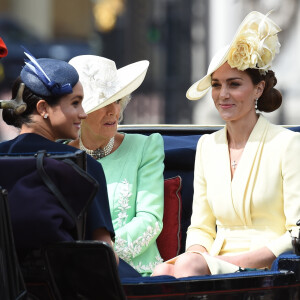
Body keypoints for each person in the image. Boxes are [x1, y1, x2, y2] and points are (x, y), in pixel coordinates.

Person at [152, 11, 300, 278]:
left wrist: (233, 260)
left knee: (184, 267)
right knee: (162, 270)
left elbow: (296, 233)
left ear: (258, 88)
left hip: (267, 266)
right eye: (216, 85)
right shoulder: (208, 146)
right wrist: (198, 254)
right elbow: (200, 227)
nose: (223, 95)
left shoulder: (288, 144)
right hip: (214, 262)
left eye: (234, 84)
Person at [0, 50, 115, 255]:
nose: (83, 113)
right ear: (43, 108)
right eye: (75, 103)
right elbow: (104, 253)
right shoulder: (83, 164)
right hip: (69, 285)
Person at [67, 55, 165, 276]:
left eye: (118, 100)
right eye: (102, 104)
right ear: (80, 111)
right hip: (75, 276)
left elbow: (150, 220)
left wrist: (100, 256)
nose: (113, 111)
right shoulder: (63, 155)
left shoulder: (146, 147)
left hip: (138, 274)